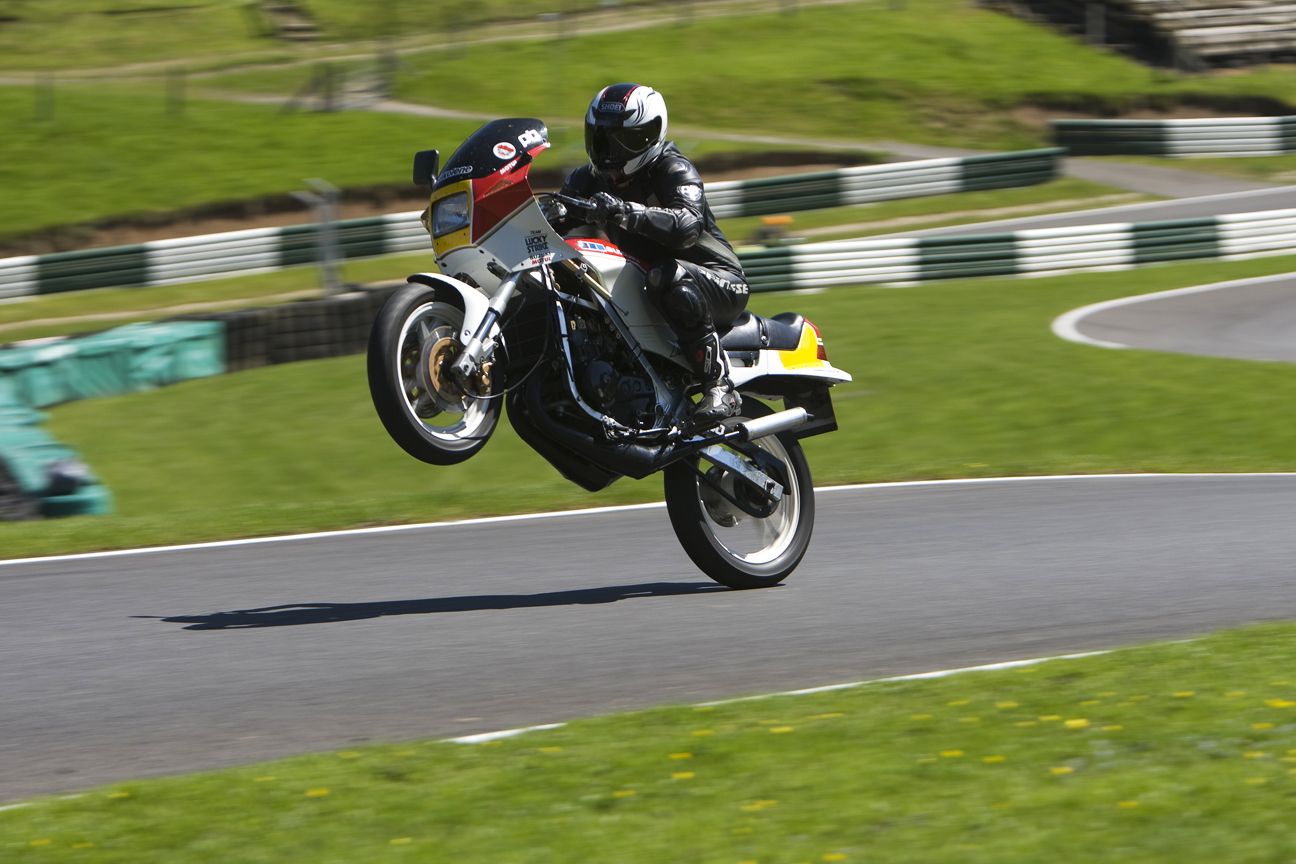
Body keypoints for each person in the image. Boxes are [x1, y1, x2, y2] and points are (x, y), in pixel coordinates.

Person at [551, 83, 750, 424]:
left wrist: (626, 212)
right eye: (601, 139)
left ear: (648, 136)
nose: (609, 151)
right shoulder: (589, 180)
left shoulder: (673, 169)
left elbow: (687, 225)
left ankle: (720, 385)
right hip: (647, 284)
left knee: (666, 274)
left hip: (719, 281)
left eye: (620, 140)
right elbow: (554, 221)